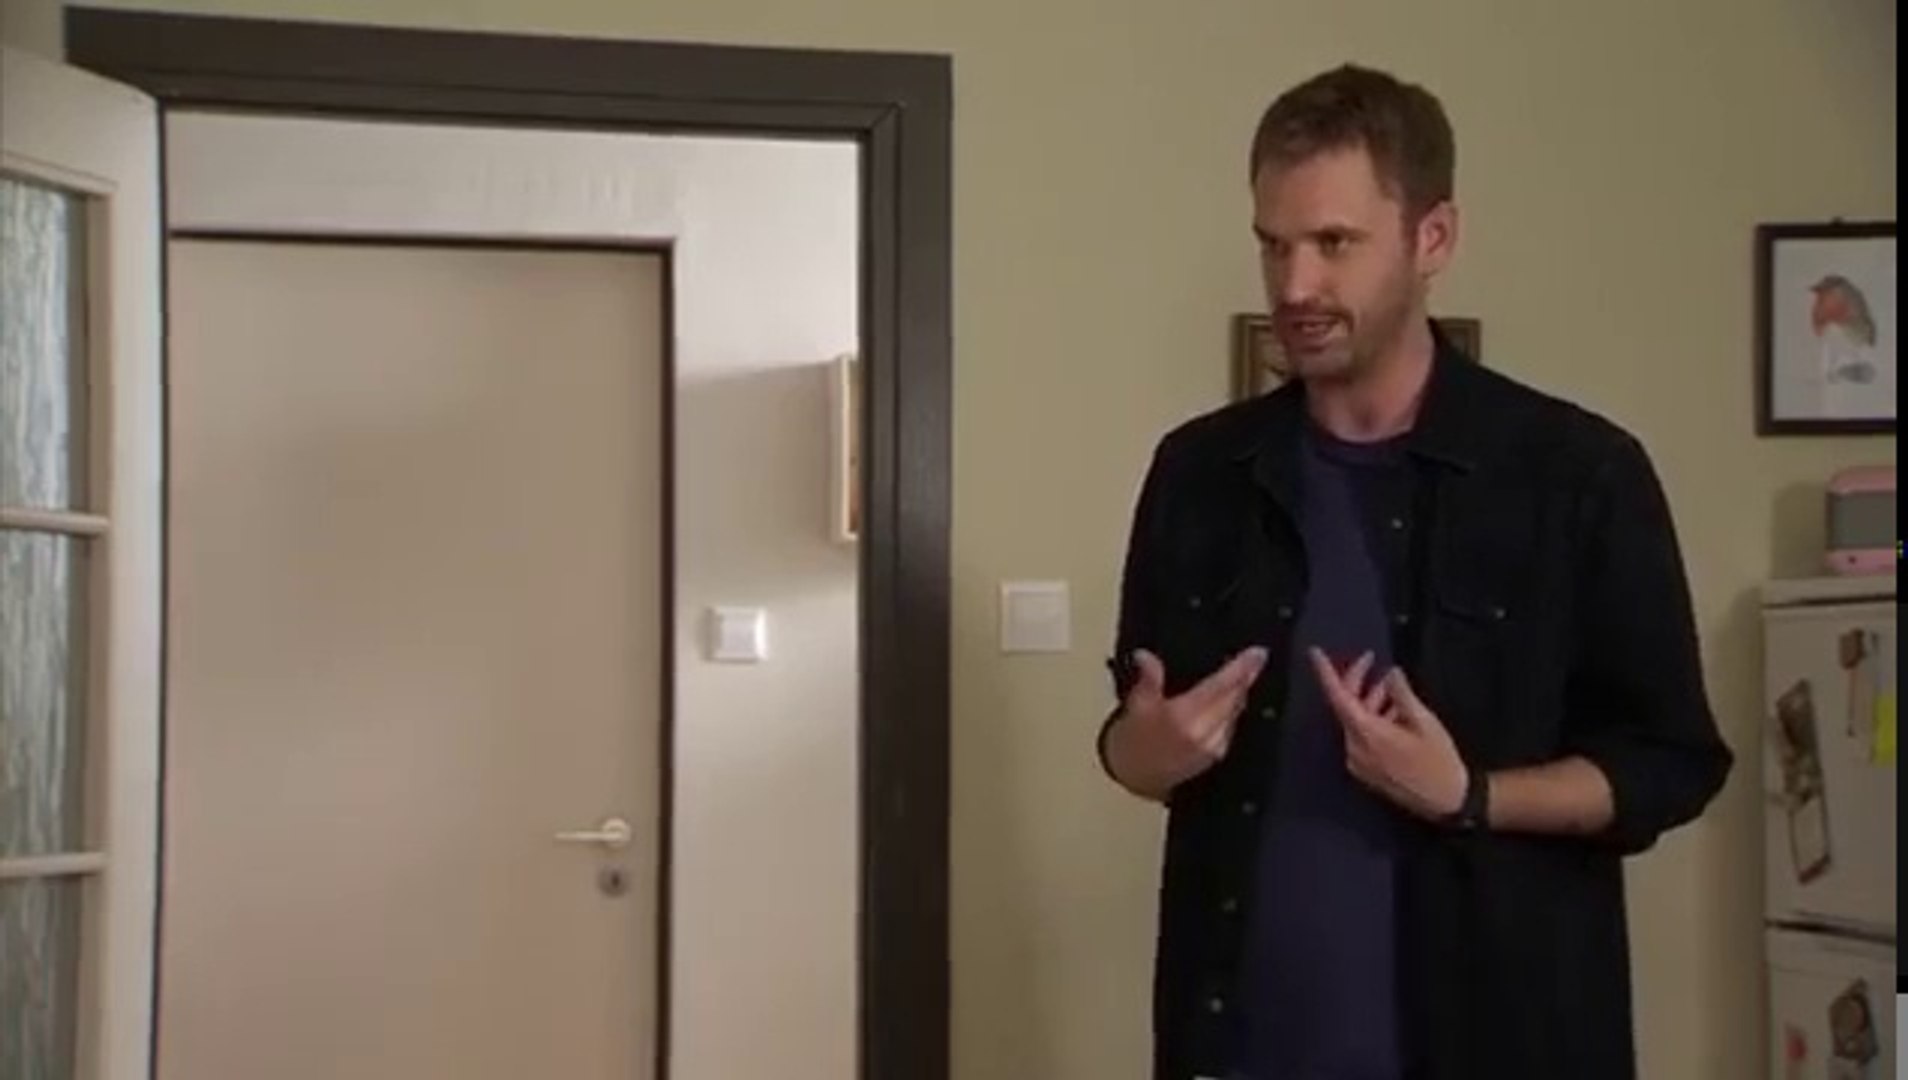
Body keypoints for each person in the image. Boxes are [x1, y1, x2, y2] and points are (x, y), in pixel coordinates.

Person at [1095, 64, 1733, 1080]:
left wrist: (1469, 794)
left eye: (1334, 243)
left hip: (1504, 1045)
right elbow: (1130, 746)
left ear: (1433, 238)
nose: (1294, 287)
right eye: (1273, 244)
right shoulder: (1199, 473)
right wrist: (1149, 750)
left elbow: (1671, 762)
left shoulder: (1579, 474)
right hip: (1235, 1047)